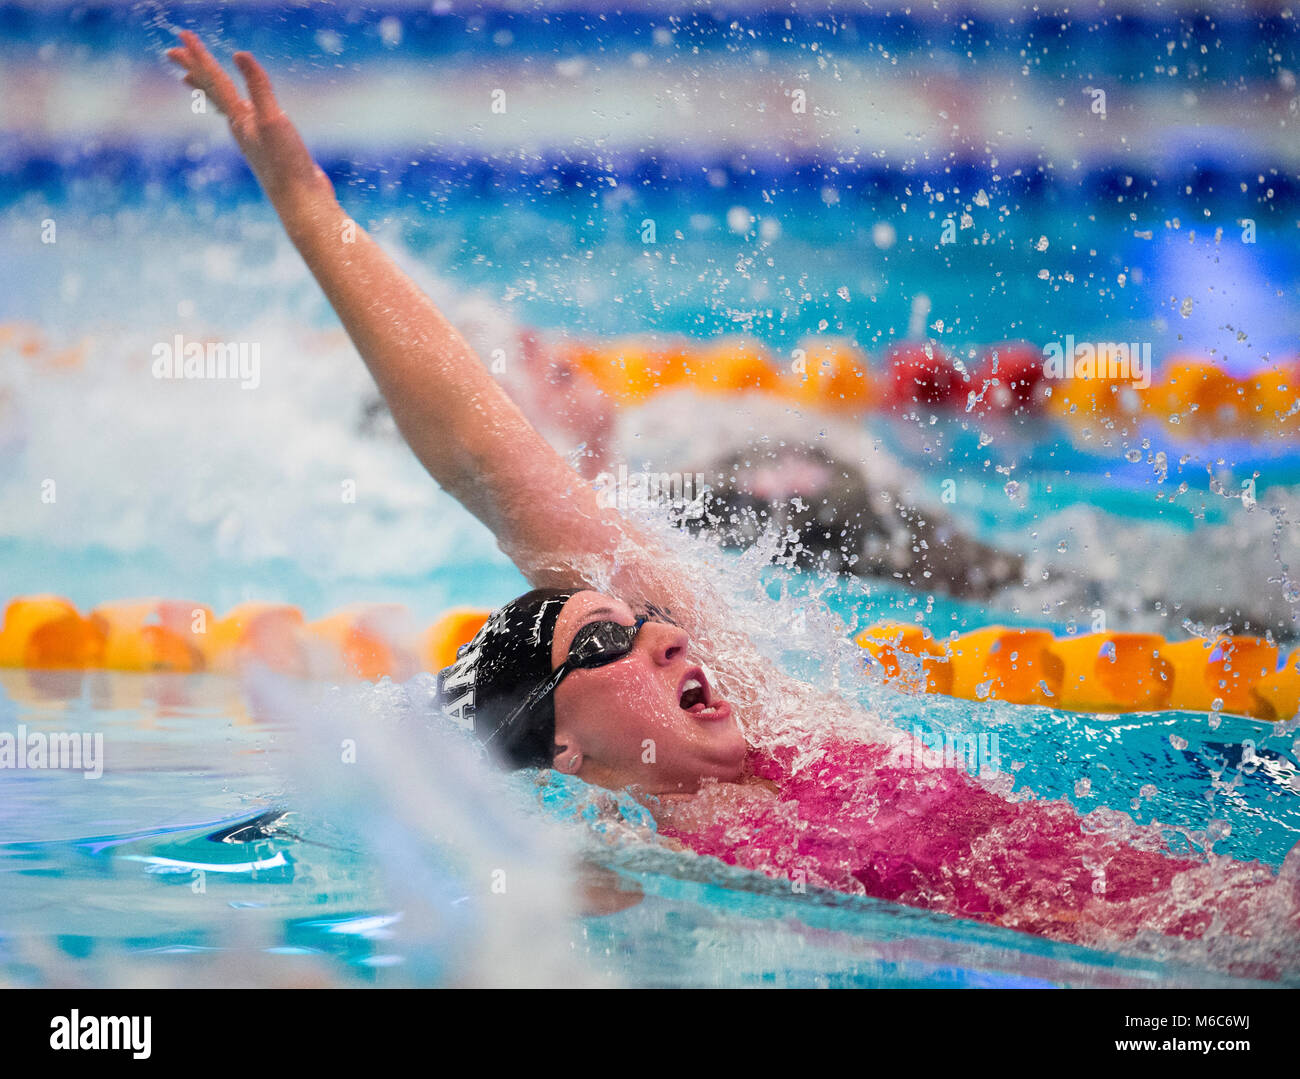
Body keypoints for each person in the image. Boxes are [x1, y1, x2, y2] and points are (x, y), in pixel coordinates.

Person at [166, 33, 1299, 974]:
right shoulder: (663, 864)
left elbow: (497, 465)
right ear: (559, 743)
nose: (658, 630)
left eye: (637, 617)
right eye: (604, 637)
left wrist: (311, 203)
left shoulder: (786, 719)